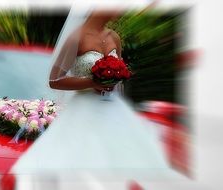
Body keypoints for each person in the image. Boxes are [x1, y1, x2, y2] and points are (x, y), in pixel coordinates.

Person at [10, 7, 180, 176]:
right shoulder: (77, 37)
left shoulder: (114, 37)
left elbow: (119, 72)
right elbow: (54, 81)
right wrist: (91, 83)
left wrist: (115, 80)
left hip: (113, 109)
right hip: (83, 111)